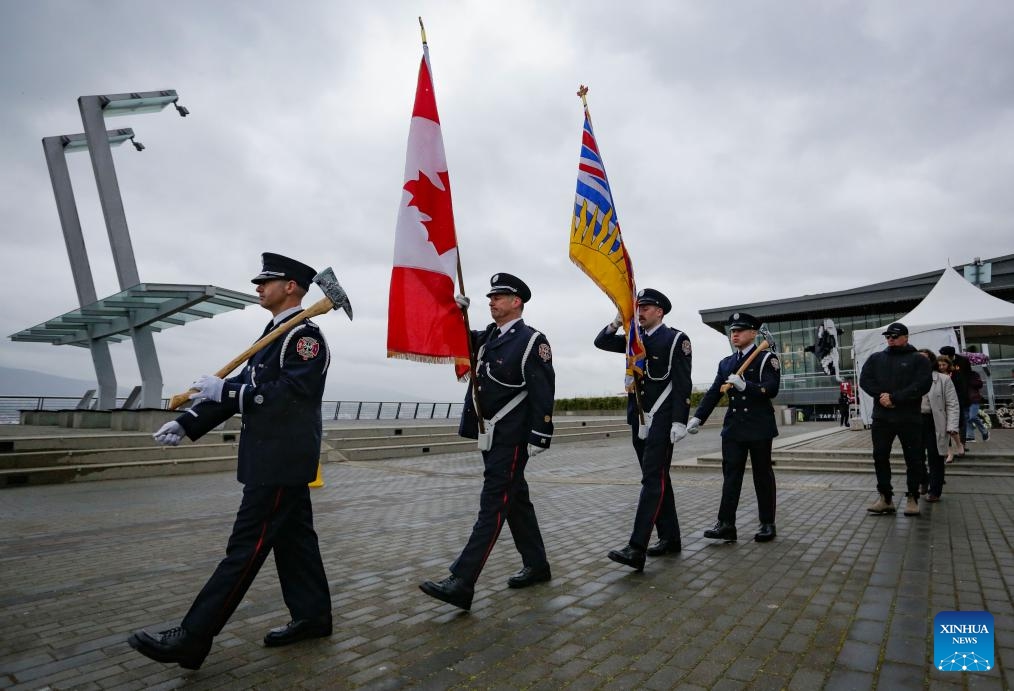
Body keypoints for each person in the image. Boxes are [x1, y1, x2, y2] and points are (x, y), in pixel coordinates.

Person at [128, 253, 333, 670]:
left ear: (291, 286)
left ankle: (193, 636)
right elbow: (240, 385)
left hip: (280, 461)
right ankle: (313, 617)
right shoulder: (276, 333)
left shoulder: (304, 338)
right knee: (295, 543)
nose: (259, 287)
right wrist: (188, 421)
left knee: (245, 549)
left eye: (267, 281)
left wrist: (228, 392)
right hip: (274, 459)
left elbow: (291, 397)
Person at [419, 273, 555, 610]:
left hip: (511, 437)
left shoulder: (531, 340)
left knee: (493, 505)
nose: (491, 301)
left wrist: (541, 434)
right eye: (490, 297)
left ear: (516, 302)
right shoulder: (487, 337)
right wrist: (454, 314)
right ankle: (537, 565)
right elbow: (451, 341)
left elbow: (542, 390)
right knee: (516, 502)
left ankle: (462, 581)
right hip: (490, 434)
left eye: (499, 296)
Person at [593, 288, 692, 570]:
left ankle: (636, 547)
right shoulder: (633, 340)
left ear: (659, 311)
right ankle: (671, 538)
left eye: (646, 307)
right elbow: (600, 342)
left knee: (652, 479)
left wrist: (679, 420)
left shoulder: (675, 339)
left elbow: (683, 382)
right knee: (659, 479)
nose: (641, 312)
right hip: (639, 417)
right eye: (638, 307)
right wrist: (615, 322)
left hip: (661, 417)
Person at [688, 312, 780, 542]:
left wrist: (745, 386)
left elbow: (771, 389)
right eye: (732, 331)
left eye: (739, 330)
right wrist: (698, 417)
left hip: (759, 425)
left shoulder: (766, 358)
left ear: (753, 333)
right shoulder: (726, 363)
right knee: (730, 476)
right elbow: (713, 393)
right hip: (734, 428)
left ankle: (767, 523)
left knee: (762, 476)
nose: (734, 335)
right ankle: (726, 523)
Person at [859, 322, 933, 517]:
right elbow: (865, 380)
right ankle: (885, 498)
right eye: (888, 336)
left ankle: (912, 497)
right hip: (882, 417)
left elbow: (923, 384)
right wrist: (882, 396)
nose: (890, 339)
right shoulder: (876, 358)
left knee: (914, 458)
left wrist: (895, 398)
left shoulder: (918, 360)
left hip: (909, 417)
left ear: (906, 337)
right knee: (880, 456)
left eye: (894, 336)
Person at [916, 349, 959, 502]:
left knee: (935, 457)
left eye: (925, 358)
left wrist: (952, 425)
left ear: (931, 361)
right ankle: (924, 479)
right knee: (915, 456)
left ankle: (935, 491)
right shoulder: (910, 378)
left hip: (935, 421)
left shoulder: (943, 379)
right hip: (915, 421)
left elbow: (952, 404)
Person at [939, 346, 971, 444]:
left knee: (962, 420)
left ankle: (962, 444)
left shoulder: (963, 361)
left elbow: (968, 376)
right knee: (947, 421)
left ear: (950, 355)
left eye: (944, 355)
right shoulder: (941, 364)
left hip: (961, 395)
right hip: (946, 396)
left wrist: (965, 391)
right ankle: (949, 446)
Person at [966, 368, 990, 442]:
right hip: (964, 399)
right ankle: (970, 436)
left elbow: (980, 384)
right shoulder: (959, 374)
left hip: (974, 399)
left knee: (972, 416)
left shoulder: (974, 374)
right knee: (967, 417)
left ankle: (984, 431)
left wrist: (969, 380)